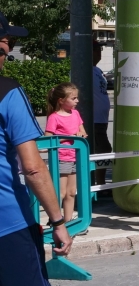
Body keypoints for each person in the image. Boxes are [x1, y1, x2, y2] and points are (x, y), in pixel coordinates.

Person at [0, 15, 73, 286]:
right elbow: (32, 165)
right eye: (6, 41)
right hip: (7, 220)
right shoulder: (8, 91)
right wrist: (58, 219)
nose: (9, 48)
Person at [43, 84, 86, 223]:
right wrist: (70, 136)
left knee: (71, 192)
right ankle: (56, 220)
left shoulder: (76, 114)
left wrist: (81, 134)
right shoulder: (54, 117)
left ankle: (68, 221)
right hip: (61, 158)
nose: (77, 101)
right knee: (60, 193)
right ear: (61, 100)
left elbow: (83, 132)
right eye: (74, 98)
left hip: (75, 157)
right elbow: (48, 139)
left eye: (77, 98)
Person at [90, 43, 112, 192]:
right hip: (93, 120)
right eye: (97, 49)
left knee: (101, 151)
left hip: (102, 120)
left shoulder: (97, 70)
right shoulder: (83, 70)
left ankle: (98, 184)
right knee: (103, 150)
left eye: (100, 49)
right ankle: (99, 185)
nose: (100, 53)